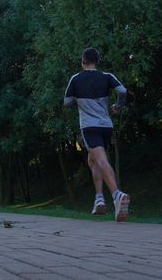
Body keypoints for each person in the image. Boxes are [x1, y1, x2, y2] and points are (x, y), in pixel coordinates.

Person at [63, 48, 130, 222]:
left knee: (100, 160)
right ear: (97, 61)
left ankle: (116, 195)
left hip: (89, 127)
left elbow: (67, 102)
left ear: (83, 61)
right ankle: (99, 199)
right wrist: (118, 106)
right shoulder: (107, 76)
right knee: (92, 160)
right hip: (106, 126)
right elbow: (122, 91)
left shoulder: (76, 79)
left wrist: (80, 100)